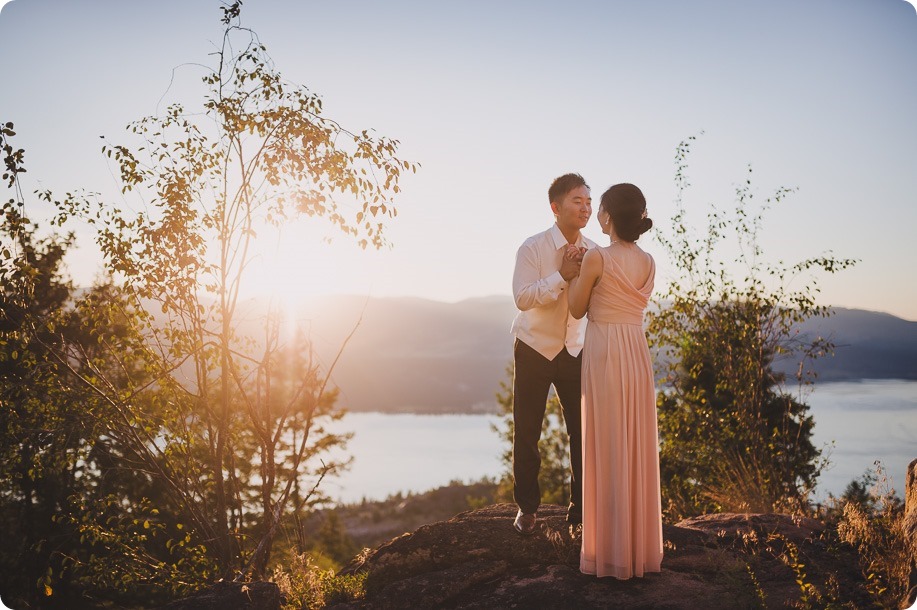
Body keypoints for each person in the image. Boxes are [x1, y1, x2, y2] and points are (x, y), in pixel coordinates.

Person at [567, 182, 663, 579]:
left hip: (606, 352)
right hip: (636, 353)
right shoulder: (650, 261)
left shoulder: (596, 258)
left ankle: (609, 553)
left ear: (607, 216)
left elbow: (576, 308)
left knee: (607, 444)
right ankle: (636, 551)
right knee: (633, 445)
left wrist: (570, 272)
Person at [510, 173, 597, 535]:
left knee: (583, 431)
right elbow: (523, 298)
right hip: (533, 349)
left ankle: (580, 513)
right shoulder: (532, 248)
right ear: (556, 207)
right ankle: (527, 509)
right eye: (578, 201)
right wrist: (561, 276)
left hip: (575, 351)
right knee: (528, 431)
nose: (586, 208)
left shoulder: (595, 251)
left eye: (589, 201)